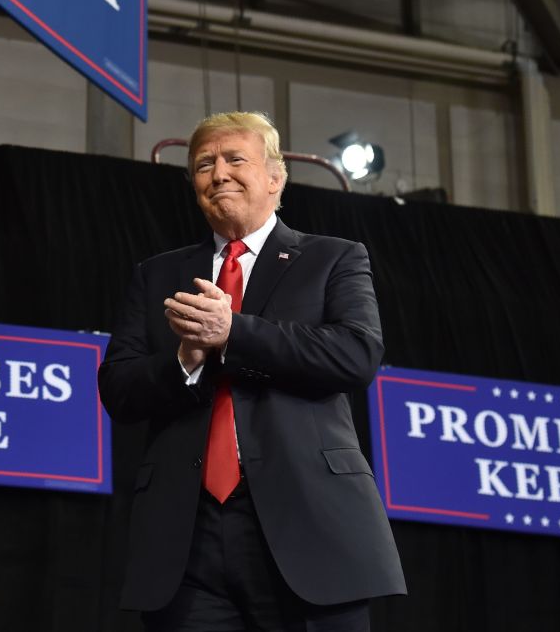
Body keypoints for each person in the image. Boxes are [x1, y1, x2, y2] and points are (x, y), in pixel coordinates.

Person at [98, 111, 406, 631]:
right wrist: (186, 359)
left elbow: (355, 353)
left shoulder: (332, 259)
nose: (218, 173)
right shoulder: (158, 276)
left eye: (234, 159)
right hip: (185, 540)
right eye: (203, 165)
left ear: (275, 176)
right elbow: (119, 387)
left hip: (309, 529)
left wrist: (233, 333)